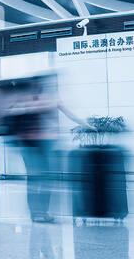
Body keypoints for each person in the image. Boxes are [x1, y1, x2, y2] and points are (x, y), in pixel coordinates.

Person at [5, 74, 85, 223]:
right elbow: (12, 117)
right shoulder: (28, 100)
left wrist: (86, 125)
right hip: (31, 144)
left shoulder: (45, 99)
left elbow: (67, 112)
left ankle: (40, 211)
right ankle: (36, 212)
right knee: (37, 178)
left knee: (43, 178)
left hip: (42, 142)